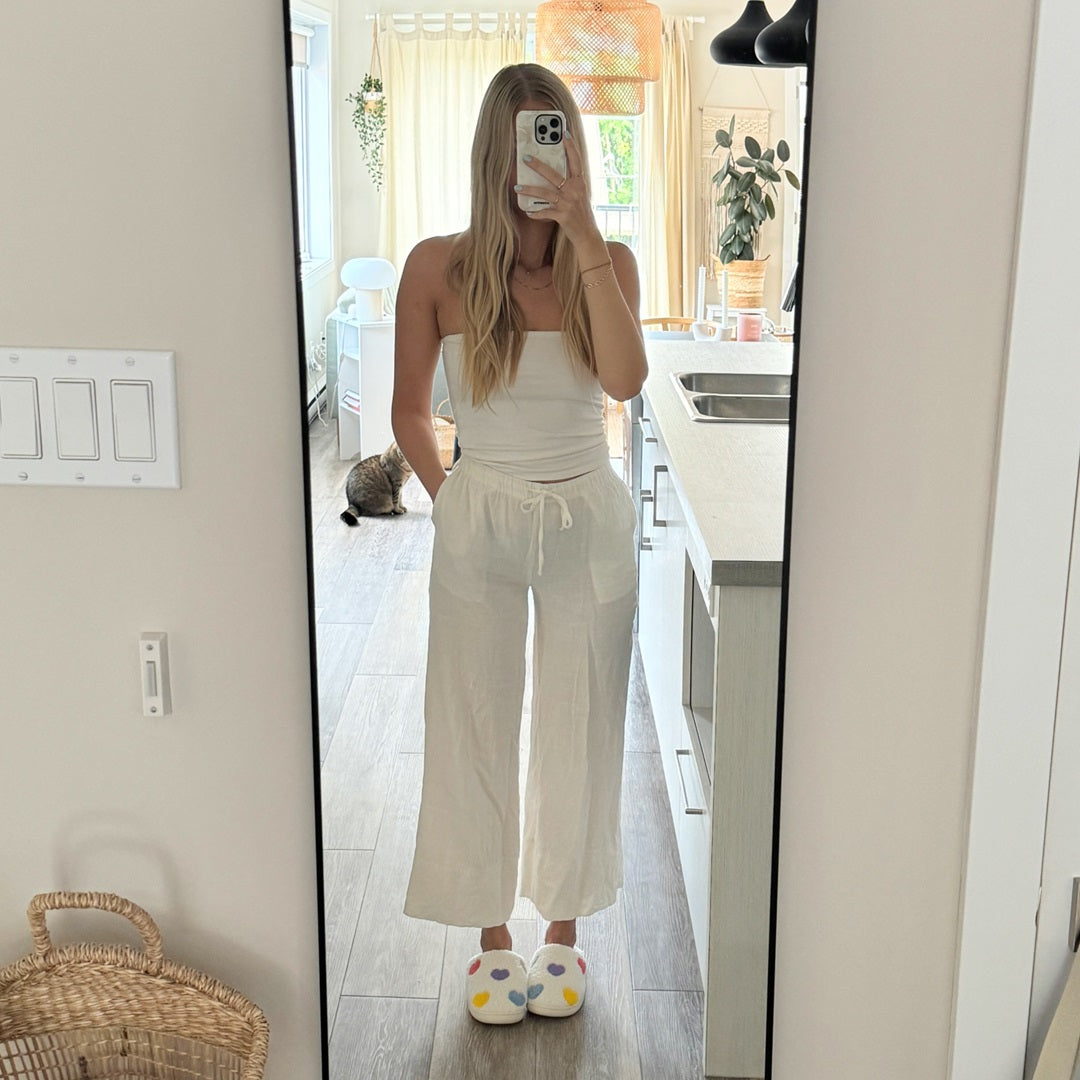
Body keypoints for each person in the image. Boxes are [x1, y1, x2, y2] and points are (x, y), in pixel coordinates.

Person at [391, 62, 647, 1025]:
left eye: (556, 136)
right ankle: (491, 938)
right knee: (469, 720)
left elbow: (623, 382)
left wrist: (580, 229)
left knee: (583, 725)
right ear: (492, 155)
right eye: (525, 140)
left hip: (589, 519)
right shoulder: (436, 268)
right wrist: (455, 498)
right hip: (481, 517)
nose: (541, 158)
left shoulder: (608, 264)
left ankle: (564, 934)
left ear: (573, 151)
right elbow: (411, 410)